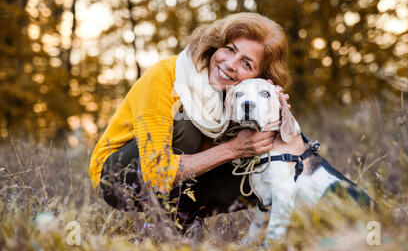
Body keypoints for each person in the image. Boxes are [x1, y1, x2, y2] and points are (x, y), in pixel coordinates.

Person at [88, 12, 291, 228]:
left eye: (247, 64)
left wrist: (272, 106)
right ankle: (168, 225)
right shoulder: (166, 75)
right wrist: (234, 149)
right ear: (216, 45)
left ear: (259, 77)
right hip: (116, 176)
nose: (230, 64)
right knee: (187, 124)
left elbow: (278, 149)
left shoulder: (239, 98)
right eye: (229, 49)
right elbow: (156, 172)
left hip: (189, 176)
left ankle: (181, 222)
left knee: (264, 163)